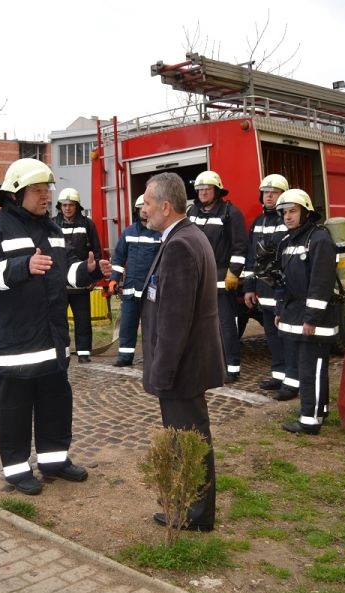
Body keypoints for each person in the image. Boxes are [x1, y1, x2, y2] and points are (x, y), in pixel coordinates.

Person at [0, 158, 111, 495]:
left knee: (56, 408)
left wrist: (87, 271)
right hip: (12, 349)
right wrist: (22, 267)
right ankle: (17, 472)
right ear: (16, 193)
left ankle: (54, 462)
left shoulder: (52, 230)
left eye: (48, 189)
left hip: (51, 344)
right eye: (39, 190)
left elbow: (60, 276)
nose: (47, 196)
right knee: (14, 414)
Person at [140, 171, 225, 531]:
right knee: (190, 438)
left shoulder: (179, 244)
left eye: (146, 203)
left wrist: (162, 372)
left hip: (182, 367)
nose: (142, 209)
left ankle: (194, 513)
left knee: (187, 441)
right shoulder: (190, 235)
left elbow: (174, 320)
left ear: (166, 206)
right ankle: (194, 508)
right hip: (191, 363)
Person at [273, 189, 339, 435]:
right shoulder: (288, 240)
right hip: (295, 313)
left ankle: (309, 420)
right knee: (309, 367)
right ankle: (318, 411)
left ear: (306, 212)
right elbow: (282, 280)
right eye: (284, 212)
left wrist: (311, 318)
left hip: (315, 318)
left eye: (293, 211)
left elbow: (321, 284)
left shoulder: (319, 239)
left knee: (312, 368)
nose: (287, 217)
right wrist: (280, 309)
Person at [187, 170, 247, 383]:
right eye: (200, 189)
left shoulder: (231, 213)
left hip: (222, 277)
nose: (203, 192)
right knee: (201, 325)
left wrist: (234, 272)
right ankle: (208, 365)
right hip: (198, 278)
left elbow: (240, 247)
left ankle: (232, 368)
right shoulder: (192, 211)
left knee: (225, 325)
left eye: (207, 188)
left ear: (217, 190)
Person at [243, 174, 299, 400]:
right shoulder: (258, 222)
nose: (268, 196)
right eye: (266, 192)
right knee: (273, 338)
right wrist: (248, 287)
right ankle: (278, 376)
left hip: (283, 293)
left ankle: (291, 384)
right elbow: (251, 258)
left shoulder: (286, 222)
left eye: (274, 192)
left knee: (287, 339)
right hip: (264, 294)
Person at [108, 194, 161, 367]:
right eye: (141, 209)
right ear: (137, 211)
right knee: (127, 324)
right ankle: (125, 356)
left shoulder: (160, 233)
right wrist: (113, 280)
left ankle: (152, 357)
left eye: (147, 208)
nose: (144, 212)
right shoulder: (129, 232)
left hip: (151, 290)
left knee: (151, 326)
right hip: (131, 289)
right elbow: (118, 259)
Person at [53, 187, 102, 363]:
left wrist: (93, 277)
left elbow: (96, 252)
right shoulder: (53, 225)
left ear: (77, 206)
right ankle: (61, 352)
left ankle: (83, 353)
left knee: (83, 319)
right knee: (59, 321)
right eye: (64, 205)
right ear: (59, 206)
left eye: (71, 205)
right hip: (59, 283)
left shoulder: (87, 224)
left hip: (81, 282)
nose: (67, 208)